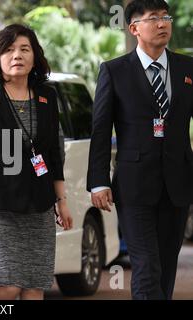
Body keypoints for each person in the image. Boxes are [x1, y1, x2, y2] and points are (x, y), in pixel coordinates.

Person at [0, 24, 73, 300]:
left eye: (24, 49)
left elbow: (54, 155)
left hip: (40, 204)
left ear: (35, 57)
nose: (16, 55)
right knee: (7, 284)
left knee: (34, 284)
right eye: (8, 50)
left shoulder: (47, 96)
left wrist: (61, 201)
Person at [87, 0, 193, 299]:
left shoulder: (188, 68)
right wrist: (98, 181)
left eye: (166, 17)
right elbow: (100, 129)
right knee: (146, 268)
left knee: (166, 268)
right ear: (134, 28)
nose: (163, 24)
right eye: (154, 18)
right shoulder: (115, 71)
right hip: (134, 186)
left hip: (178, 183)